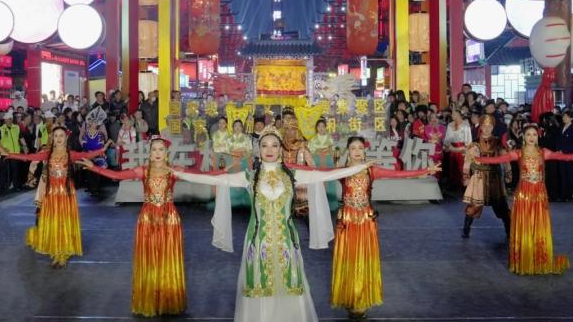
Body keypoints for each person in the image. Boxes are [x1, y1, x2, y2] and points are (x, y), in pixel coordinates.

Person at [172, 125, 372, 322]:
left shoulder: (292, 175)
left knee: (289, 283)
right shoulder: (249, 177)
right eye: (265, 145)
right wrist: (180, 174)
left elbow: (325, 175)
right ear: (258, 150)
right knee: (259, 285)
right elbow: (215, 180)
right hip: (258, 242)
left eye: (274, 145)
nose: (269, 150)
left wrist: (359, 167)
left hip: (286, 243)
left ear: (280, 149)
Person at [293, 136, 438, 320]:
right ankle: (351, 298)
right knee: (350, 259)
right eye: (353, 148)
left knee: (364, 258)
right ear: (348, 151)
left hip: (366, 222)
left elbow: (397, 174)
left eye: (360, 148)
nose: (357, 151)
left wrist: (426, 170)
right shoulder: (343, 171)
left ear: (364, 151)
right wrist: (287, 165)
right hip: (348, 222)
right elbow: (317, 172)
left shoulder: (371, 170)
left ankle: (362, 300)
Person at [78, 137, 215, 316]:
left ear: (166, 153)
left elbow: (200, 176)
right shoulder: (143, 170)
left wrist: (222, 172)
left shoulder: (173, 170)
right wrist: (94, 168)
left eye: (161, 149)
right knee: (149, 258)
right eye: (154, 149)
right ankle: (150, 298)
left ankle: (167, 300)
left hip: (169, 219)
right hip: (148, 219)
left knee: (167, 258)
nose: (157, 153)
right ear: (150, 153)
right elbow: (117, 175)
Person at [475, 124, 573, 275]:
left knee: (538, 225)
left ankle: (539, 260)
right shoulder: (518, 153)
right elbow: (498, 160)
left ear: (538, 137)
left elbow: (563, 157)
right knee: (525, 226)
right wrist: (476, 158)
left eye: (534, 135)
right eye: (528, 134)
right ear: (523, 137)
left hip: (539, 195)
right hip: (523, 195)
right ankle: (525, 261)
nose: (531, 137)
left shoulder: (543, 152)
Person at [0, 127, 110, 268]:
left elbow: (87, 155)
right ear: (52, 138)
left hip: (66, 193)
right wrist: (9, 154)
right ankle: (56, 250)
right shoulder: (48, 154)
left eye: (61, 135)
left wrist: (102, 149)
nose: (58, 138)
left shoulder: (71, 154)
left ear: (66, 138)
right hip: (51, 193)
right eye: (56, 135)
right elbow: (29, 157)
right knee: (53, 222)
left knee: (63, 223)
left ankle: (62, 254)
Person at [461, 115, 510, 239]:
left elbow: (505, 159)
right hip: (479, 177)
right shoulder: (475, 143)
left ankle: (509, 230)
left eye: (489, 126)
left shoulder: (498, 142)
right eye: (484, 126)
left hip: (495, 178)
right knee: (474, 205)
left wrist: (508, 172)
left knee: (502, 206)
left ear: (493, 127)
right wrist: (466, 176)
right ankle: (466, 229)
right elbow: (468, 161)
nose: (487, 128)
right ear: (481, 127)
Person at [307, 118, 338, 210]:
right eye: (319, 126)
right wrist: (318, 151)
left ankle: (331, 205)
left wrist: (329, 150)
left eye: (323, 126)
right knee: (317, 182)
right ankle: (317, 205)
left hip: (328, 161)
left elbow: (333, 151)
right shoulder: (312, 140)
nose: (321, 128)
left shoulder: (330, 139)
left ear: (325, 128)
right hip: (317, 162)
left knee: (330, 181)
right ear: (316, 128)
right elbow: (310, 152)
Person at [0, 112, 26, 195]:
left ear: (11, 119)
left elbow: (21, 137)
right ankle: (2, 188)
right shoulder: (1, 129)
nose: (7, 121)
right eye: (6, 119)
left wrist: (25, 146)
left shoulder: (16, 127)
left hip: (15, 153)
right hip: (5, 154)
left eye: (9, 119)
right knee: (4, 172)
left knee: (15, 171)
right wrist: (3, 148)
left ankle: (16, 186)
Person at [444, 109, 471, 189]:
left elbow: (469, 140)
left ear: (459, 115)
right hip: (452, 148)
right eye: (452, 114)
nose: (452, 115)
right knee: (453, 167)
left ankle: (464, 186)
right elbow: (447, 139)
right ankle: (454, 185)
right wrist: (449, 147)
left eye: (454, 114)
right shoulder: (450, 124)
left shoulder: (465, 124)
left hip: (463, 149)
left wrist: (465, 149)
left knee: (462, 167)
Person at [556, 111, 573, 202]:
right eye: (563, 116)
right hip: (560, 155)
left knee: (569, 174)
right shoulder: (561, 127)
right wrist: (558, 149)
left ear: (571, 118)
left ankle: (569, 195)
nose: (564, 118)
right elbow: (557, 140)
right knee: (562, 174)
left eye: (566, 116)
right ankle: (563, 195)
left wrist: (563, 150)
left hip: (569, 155)